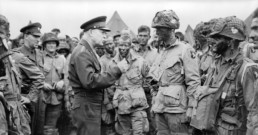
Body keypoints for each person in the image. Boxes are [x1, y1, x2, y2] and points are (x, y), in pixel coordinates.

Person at [192, 16, 258, 135]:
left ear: (230, 41)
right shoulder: (216, 63)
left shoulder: (246, 69)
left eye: (218, 38)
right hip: (211, 128)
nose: (212, 41)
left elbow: (254, 112)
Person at [68, 16, 128, 135]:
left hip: (89, 105)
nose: (105, 36)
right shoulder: (83, 53)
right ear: (90, 32)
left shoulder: (87, 51)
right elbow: (90, 81)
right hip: (86, 106)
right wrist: (117, 70)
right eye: (102, 32)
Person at [148, 10, 201, 135]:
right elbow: (155, 81)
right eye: (156, 28)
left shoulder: (185, 50)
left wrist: (191, 107)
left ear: (171, 29)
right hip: (160, 107)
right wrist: (154, 101)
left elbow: (193, 81)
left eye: (160, 28)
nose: (157, 31)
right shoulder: (162, 52)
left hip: (177, 109)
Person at [0, 14, 40, 135]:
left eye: (3, 34)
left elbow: (39, 76)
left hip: (16, 113)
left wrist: (29, 97)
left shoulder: (13, 57)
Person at [112, 35, 149, 135]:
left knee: (139, 132)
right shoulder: (113, 62)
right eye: (121, 45)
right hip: (121, 105)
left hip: (137, 105)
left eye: (126, 45)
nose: (123, 48)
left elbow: (149, 79)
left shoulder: (140, 61)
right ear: (117, 45)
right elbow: (110, 84)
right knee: (124, 133)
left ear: (130, 46)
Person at [16, 22, 45, 135]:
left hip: (39, 99)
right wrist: (29, 98)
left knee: (38, 130)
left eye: (39, 37)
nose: (38, 40)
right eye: (35, 36)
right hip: (25, 99)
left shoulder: (39, 54)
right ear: (25, 36)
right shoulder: (17, 54)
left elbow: (40, 75)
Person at [132, 25, 158, 135]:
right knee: (138, 124)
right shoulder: (131, 52)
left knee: (153, 122)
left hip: (150, 92)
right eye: (140, 35)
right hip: (135, 93)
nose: (142, 38)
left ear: (149, 37)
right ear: (137, 36)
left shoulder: (155, 53)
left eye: (145, 36)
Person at [41, 32, 66, 135]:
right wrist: (42, 84)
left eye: (53, 43)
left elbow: (68, 78)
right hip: (41, 97)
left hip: (56, 97)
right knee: (39, 126)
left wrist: (62, 82)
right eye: (48, 43)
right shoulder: (39, 57)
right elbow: (33, 77)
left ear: (57, 45)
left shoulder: (62, 59)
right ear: (44, 45)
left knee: (51, 127)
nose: (51, 45)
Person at [99, 37, 117, 135]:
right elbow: (102, 83)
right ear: (104, 47)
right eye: (107, 44)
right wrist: (106, 102)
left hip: (120, 95)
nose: (110, 46)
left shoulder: (120, 57)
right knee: (108, 124)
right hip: (108, 96)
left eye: (111, 43)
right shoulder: (102, 61)